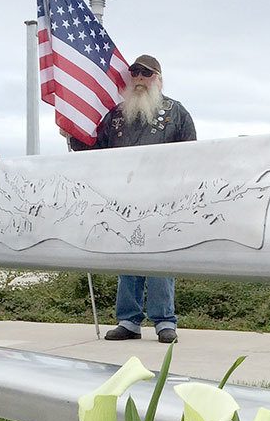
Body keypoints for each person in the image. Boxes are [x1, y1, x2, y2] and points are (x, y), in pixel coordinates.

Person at [71, 54, 196, 344]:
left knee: (159, 261)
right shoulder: (116, 116)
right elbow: (95, 150)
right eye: (135, 74)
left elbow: (192, 157)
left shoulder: (177, 113)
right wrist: (72, 134)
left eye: (146, 74)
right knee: (127, 259)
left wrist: (180, 194)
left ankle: (164, 320)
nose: (139, 79)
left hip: (162, 201)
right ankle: (128, 320)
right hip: (123, 200)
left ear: (158, 78)